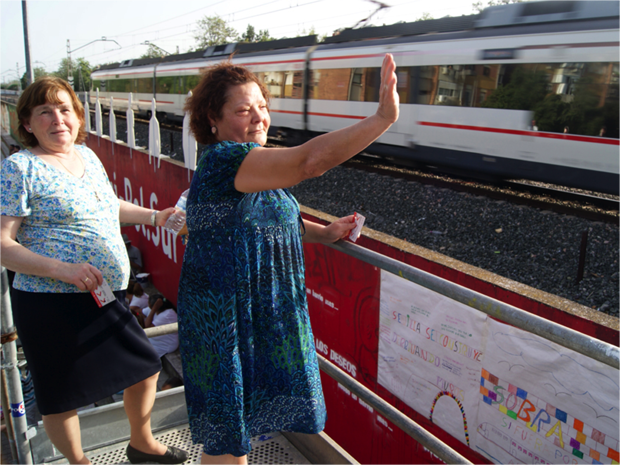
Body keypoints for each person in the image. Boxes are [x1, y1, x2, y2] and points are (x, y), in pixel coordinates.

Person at [178, 54, 399, 465]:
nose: (258, 117)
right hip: (228, 319)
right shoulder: (225, 161)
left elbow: (268, 224)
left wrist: (323, 233)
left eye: (262, 106)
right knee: (228, 435)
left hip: (254, 313)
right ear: (213, 117)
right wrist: (381, 119)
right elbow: (308, 162)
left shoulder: (251, 163)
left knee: (235, 432)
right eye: (243, 110)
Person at [0, 76, 188, 465]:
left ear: (78, 115)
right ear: (27, 124)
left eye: (65, 109)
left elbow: (109, 205)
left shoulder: (86, 155)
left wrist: (155, 216)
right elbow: (3, 243)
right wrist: (62, 269)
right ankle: (79, 462)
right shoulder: (20, 168)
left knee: (145, 367)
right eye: (45, 112)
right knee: (60, 394)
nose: (58, 119)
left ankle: (141, 442)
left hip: (106, 292)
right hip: (49, 302)